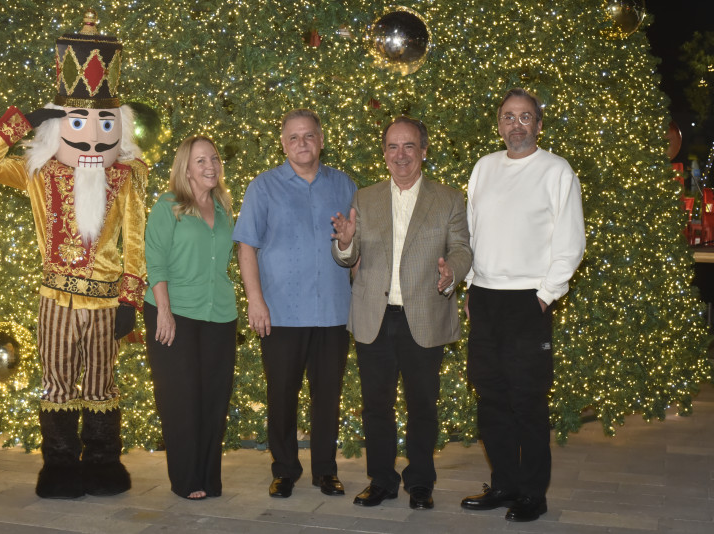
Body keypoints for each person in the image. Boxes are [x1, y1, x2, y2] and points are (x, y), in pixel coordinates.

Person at [0, 10, 147, 499]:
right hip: (57, 299)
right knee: (57, 385)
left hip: (107, 301)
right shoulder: (38, 173)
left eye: (103, 123)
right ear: (58, 126)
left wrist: (131, 299)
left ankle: (105, 466)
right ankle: (61, 469)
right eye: (76, 122)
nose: (91, 136)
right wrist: (24, 121)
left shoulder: (127, 176)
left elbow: (135, 238)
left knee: (103, 387)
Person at [331, 116, 472, 510]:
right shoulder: (366, 197)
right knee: (376, 405)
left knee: (422, 405)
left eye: (409, 146)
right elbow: (350, 252)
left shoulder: (448, 199)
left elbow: (462, 248)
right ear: (384, 154)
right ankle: (381, 480)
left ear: (424, 151)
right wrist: (344, 244)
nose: (401, 155)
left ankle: (421, 483)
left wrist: (452, 273)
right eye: (392, 147)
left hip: (424, 315)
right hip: (374, 316)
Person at [460, 88, 585, 522]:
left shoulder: (556, 171)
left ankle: (533, 493)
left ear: (539, 124)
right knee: (490, 397)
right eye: (509, 117)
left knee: (527, 401)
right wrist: (472, 287)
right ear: (499, 124)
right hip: (485, 299)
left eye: (525, 116)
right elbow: (473, 233)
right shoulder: (484, 168)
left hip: (528, 301)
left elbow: (571, 241)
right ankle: (504, 484)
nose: (517, 124)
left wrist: (546, 294)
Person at [232, 109, 357, 498]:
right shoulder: (263, 187)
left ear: (321, 140)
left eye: (309, 136)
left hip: (334, 312)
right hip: (281, 312)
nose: (302, 143)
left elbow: (356, 247)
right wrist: (255, 300)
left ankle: (325, 471)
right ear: (282, 143)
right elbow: (246, 246)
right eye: (293, 137)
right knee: (281, 395)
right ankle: (284, 469)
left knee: (328, 397)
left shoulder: (345, 185)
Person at [143, 136, 237, 500]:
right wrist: (163, 312)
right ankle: (186, 480)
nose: (210, 165)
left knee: (214, 398)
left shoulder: (225, 206)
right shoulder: (169, 206)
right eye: (200, 161)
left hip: (219, 313)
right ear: (185, 168)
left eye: (213, 158)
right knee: (181, 398)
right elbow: (156, 261)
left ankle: (209, 479)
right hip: (174, 312)